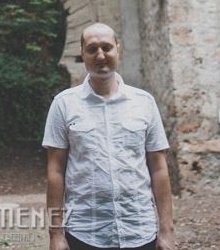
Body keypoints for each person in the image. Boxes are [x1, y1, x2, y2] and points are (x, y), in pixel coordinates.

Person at [43, 23, 175, 250]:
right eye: (92, 49)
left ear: (118, 49)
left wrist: (166, 230)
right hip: (85, 233)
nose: (100, 55)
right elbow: (55, 171)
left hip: (140, 230)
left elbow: (158, 168)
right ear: (82, 53)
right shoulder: (64, 104)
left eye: (106, 47)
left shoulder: (144, 102)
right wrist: (55, 234)